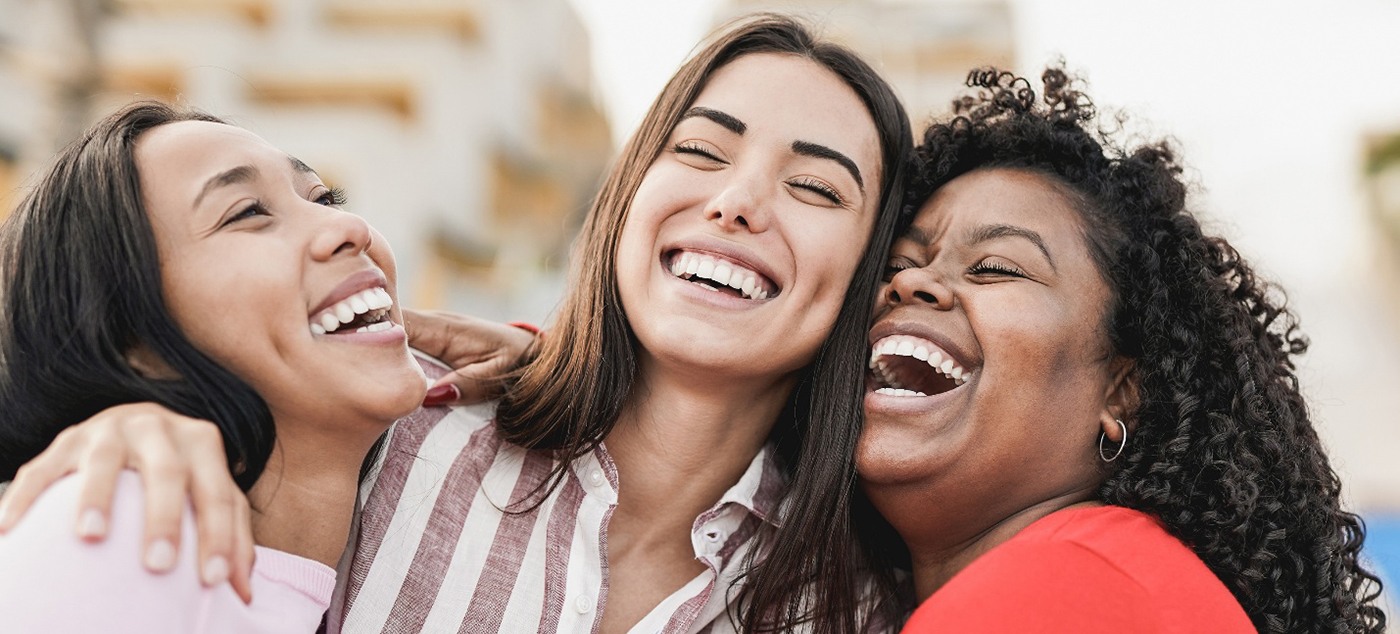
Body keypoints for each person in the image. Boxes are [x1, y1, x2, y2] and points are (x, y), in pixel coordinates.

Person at [0, 15, 913, 633]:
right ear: (626, 196)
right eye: (701, 150)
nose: (738, 202)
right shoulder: (387, 438)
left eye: (816, 188)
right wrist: (125, 418)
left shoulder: (864, 601)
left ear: (874, 273)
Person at [852, 67, 1387, 632]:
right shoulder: (1115, 574)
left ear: (1121, 391)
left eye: (993, 267)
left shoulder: (1057, 589)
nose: (911, 283)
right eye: (898, 264)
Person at [0, 102, 429, 631]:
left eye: (323, 198)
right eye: (248, 212)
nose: (350, 226)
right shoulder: (114, 523)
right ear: (134, 343)